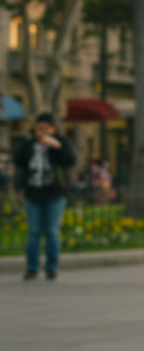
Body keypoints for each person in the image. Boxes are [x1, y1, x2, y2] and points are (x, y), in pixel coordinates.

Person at [14, 112, 75, 281]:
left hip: (54, 193)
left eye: (44, 127)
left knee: (51, 231)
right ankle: (32, 268)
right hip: (33, 193)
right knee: (33, 232)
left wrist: (54, 145)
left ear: (52, 129)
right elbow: (18, 161)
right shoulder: (28, 144)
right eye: (38, 127)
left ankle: (51, 267)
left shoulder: (60, 143)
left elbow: (70, 160)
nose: (40, 131)